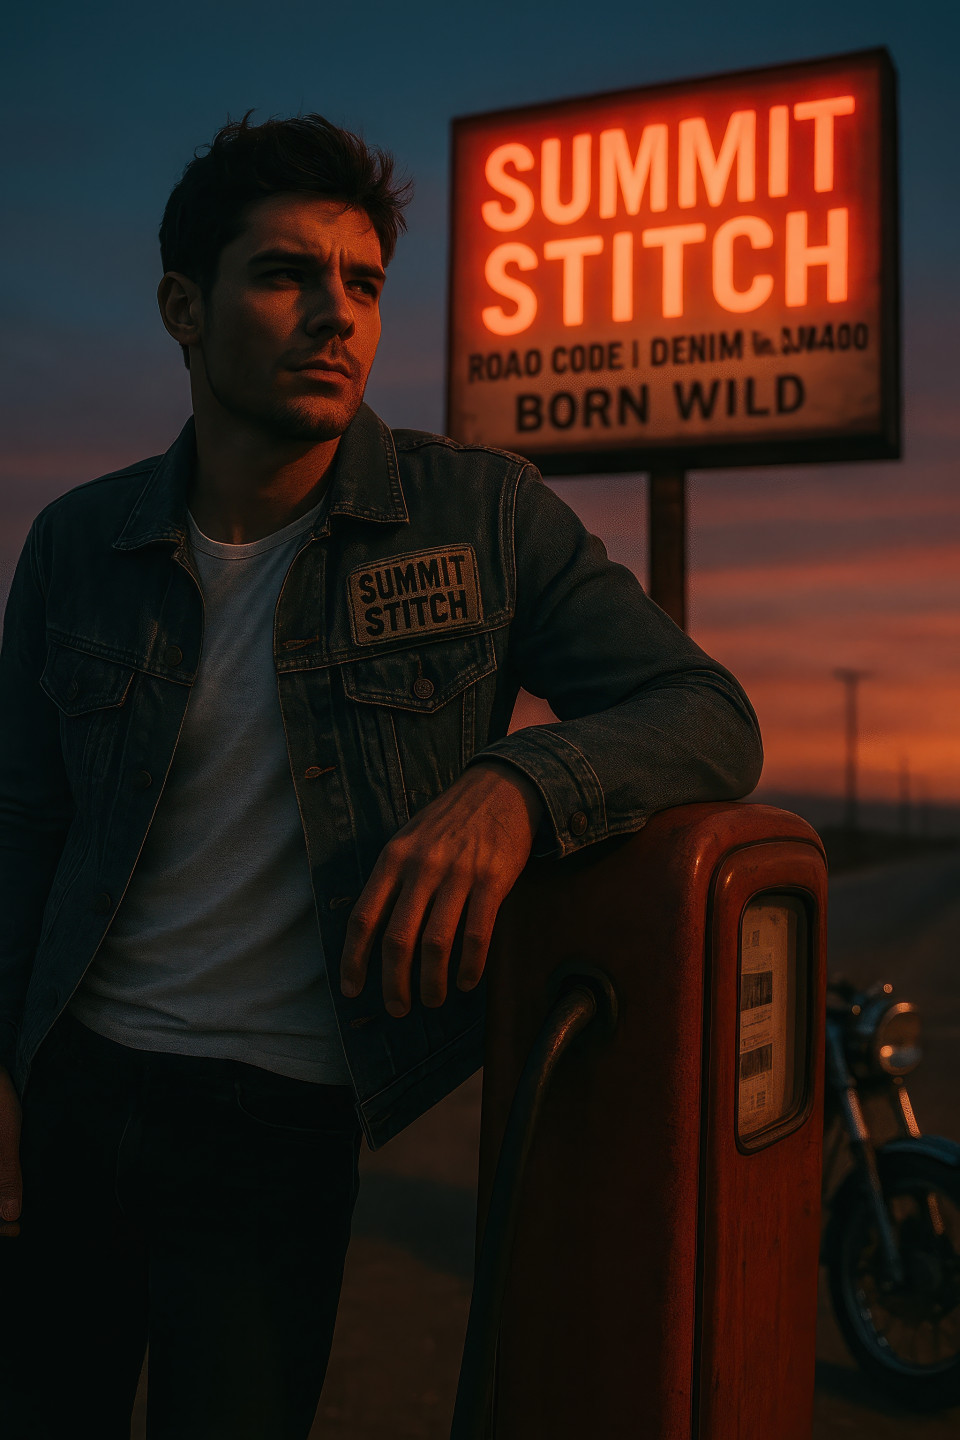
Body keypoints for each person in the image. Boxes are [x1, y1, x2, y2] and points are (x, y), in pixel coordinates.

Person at [0, 113, 762, 1438]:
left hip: (276, 1123)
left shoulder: (485, 514)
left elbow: (703, 711)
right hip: (73, 1086)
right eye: (287, 275)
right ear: (186, 304)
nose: (334, 316)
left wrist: (517, 785)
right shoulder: (80, 543)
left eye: (361, 284)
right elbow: (20, 825)